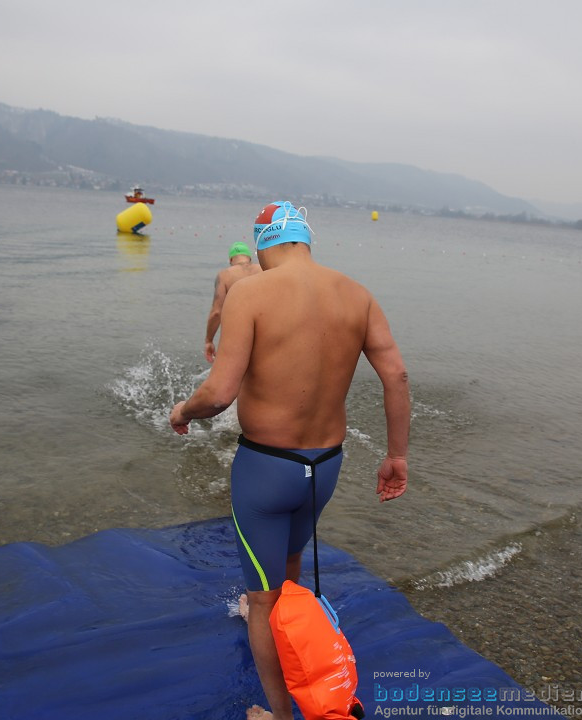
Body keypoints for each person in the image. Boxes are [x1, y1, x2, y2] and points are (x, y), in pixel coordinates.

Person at [169, 201, 410, 720]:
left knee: (261, 600)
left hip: (266, 467)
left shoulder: (249, 291)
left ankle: (281, 715)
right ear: (306, 239)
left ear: (262, 242)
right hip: (326, 466)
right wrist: (395, 456)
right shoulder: (357, 294)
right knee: (291, 569)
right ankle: (294, 635)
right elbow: (397, 377)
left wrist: (182, 411)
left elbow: (220, 392)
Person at [204, 241, 262, 363]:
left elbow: (216, 313)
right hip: (265, 332)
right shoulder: (264, 269)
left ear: (231, 260)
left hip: (238, 334)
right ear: (249, 258)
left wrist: (209, 340)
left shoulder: (225, 275)